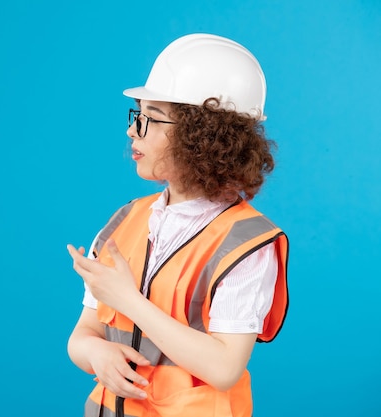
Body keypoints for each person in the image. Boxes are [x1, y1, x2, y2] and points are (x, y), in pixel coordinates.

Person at [66, 33, 289, 417]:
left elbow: (223, 369)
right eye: (137, 114)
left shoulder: (247, 243)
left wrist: (128, 300)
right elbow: (82, 336)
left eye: (150, 118)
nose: (132, 131)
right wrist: (96, 353)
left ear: (203, 135)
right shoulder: (125, 222)